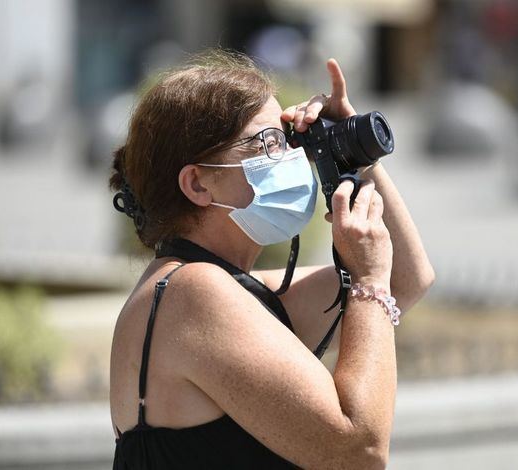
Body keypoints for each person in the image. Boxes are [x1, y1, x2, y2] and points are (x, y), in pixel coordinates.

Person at [109, 49, 434, 469]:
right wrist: (367, 280)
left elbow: (407, 277)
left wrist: (351, 156)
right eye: (268, 143)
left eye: (287, 138)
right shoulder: (194, 295)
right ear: (198, 184)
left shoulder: (221, 290)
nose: (291, 157)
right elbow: (360, 452)